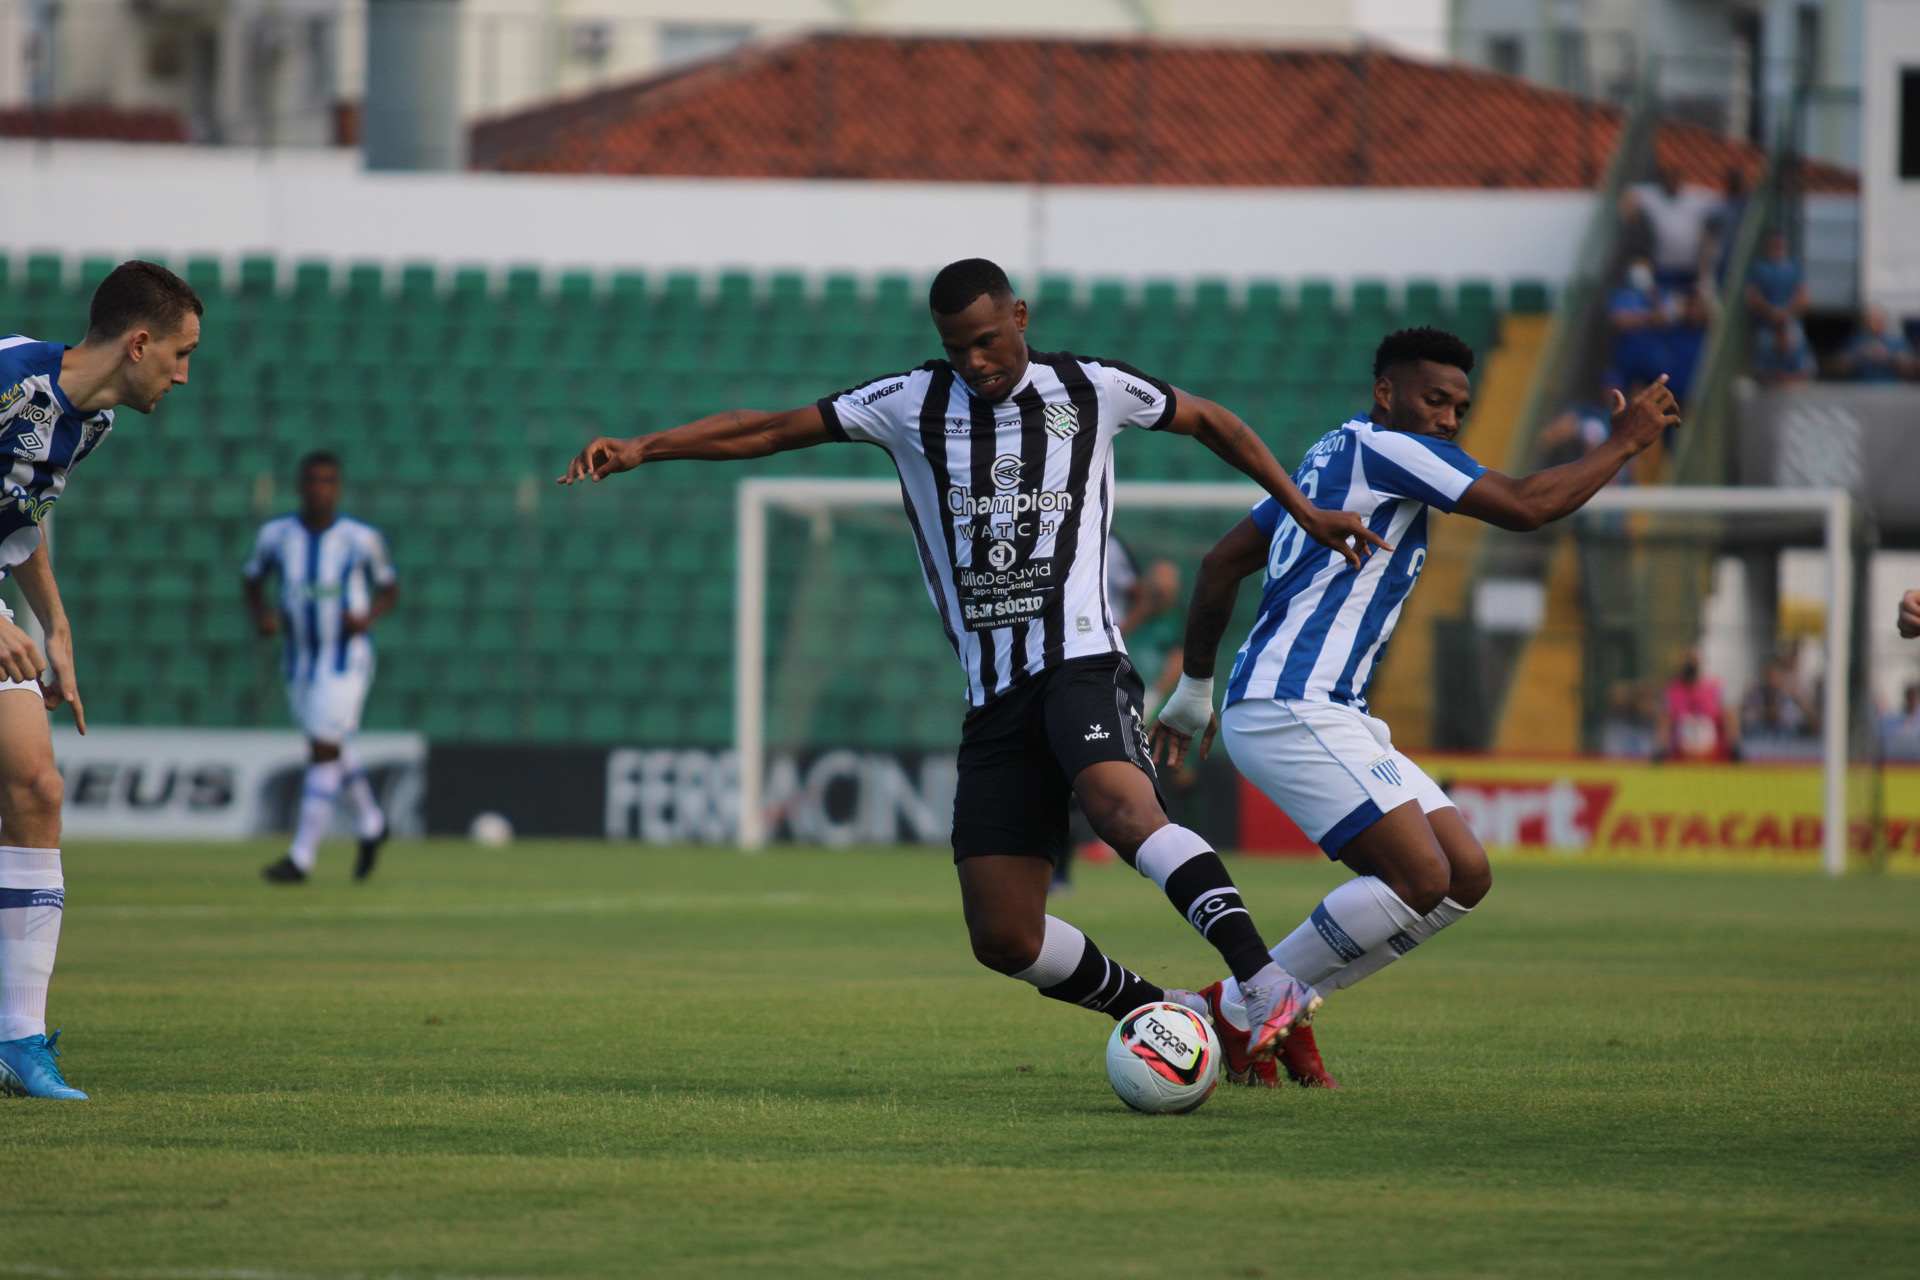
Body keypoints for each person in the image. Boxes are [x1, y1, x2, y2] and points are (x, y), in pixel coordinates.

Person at [560, 257, 1388, 1062]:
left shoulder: (1091, 388)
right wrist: (646, 447)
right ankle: (1170, 1014)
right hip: (995, 696)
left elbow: (1213, 419)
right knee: (1003, 934)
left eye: (988, 340)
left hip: (1080, 663)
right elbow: (771, 428)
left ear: (1019, 317)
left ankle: (1266, 980)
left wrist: (1302, 510)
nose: (976, 361)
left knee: (1121, 808)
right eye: (958, 347)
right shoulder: (907, 402)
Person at [1149, 327, 1681, 1089]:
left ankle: (1277, 1012)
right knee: (1419, 878)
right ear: (1386, 392)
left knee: (1464, 875)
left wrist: (1198, 690)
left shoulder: (1330, 458)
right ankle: (1237, 1011)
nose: (1448, 419)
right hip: (1291, 700)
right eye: (1434, 399)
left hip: (1329, 708)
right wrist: (1624, 443)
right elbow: (1528, 506)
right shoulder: (1385, 451)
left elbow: (1222, 562)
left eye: (1460, 407)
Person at [0, 260, 202, 1100]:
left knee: (37, 788)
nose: (184, 375)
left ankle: (17, 1040)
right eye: (182, 354)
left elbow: (18, 513)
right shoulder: (9, 380)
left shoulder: (91, 424)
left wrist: (55, 624)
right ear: (139, 342)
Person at [245, 452, 399, 884]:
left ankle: (302, 857)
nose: (319, 488)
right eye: (312, 480)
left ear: (338, 488)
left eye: (327, 481)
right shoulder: (277, 536)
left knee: (323, 749)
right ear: (301, 486)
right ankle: (372, 822)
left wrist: (366, 618)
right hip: (300, 660)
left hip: (345, 659)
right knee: (329, 746)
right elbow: (252, 578)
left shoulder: (360, 539)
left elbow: (390, 587)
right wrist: (262, 615)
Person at [1747, 230, 1815, 386]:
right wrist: (1770, 311)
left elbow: (1803, 293)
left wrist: (1788, 311)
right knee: (1764, 349)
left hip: (1789, 319)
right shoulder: (1761, 267)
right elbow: (1753, 294)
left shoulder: (1794, 266)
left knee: (1797, 348)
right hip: (1767, 322)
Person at [1657, 646, 1739, 762]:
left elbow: (1730, 718)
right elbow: (1664, 722)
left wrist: (1734, 746)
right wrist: (1660, 749)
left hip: (1715, 758)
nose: (1692, 664)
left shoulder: (1718, 687)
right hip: (1680, 758)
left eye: (1695, 660)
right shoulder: (1672, 689)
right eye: (1689, 660)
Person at [1835, 306, 1919, 382]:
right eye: (1869, 320)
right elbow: (1836, 369)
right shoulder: (1855, 341)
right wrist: (1859, 356)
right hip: (1859, 392)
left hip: (1891, 392)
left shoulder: (1896, 342)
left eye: (1876, 320)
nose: (1872, 324)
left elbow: (1911, 370)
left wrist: (1887, 357)